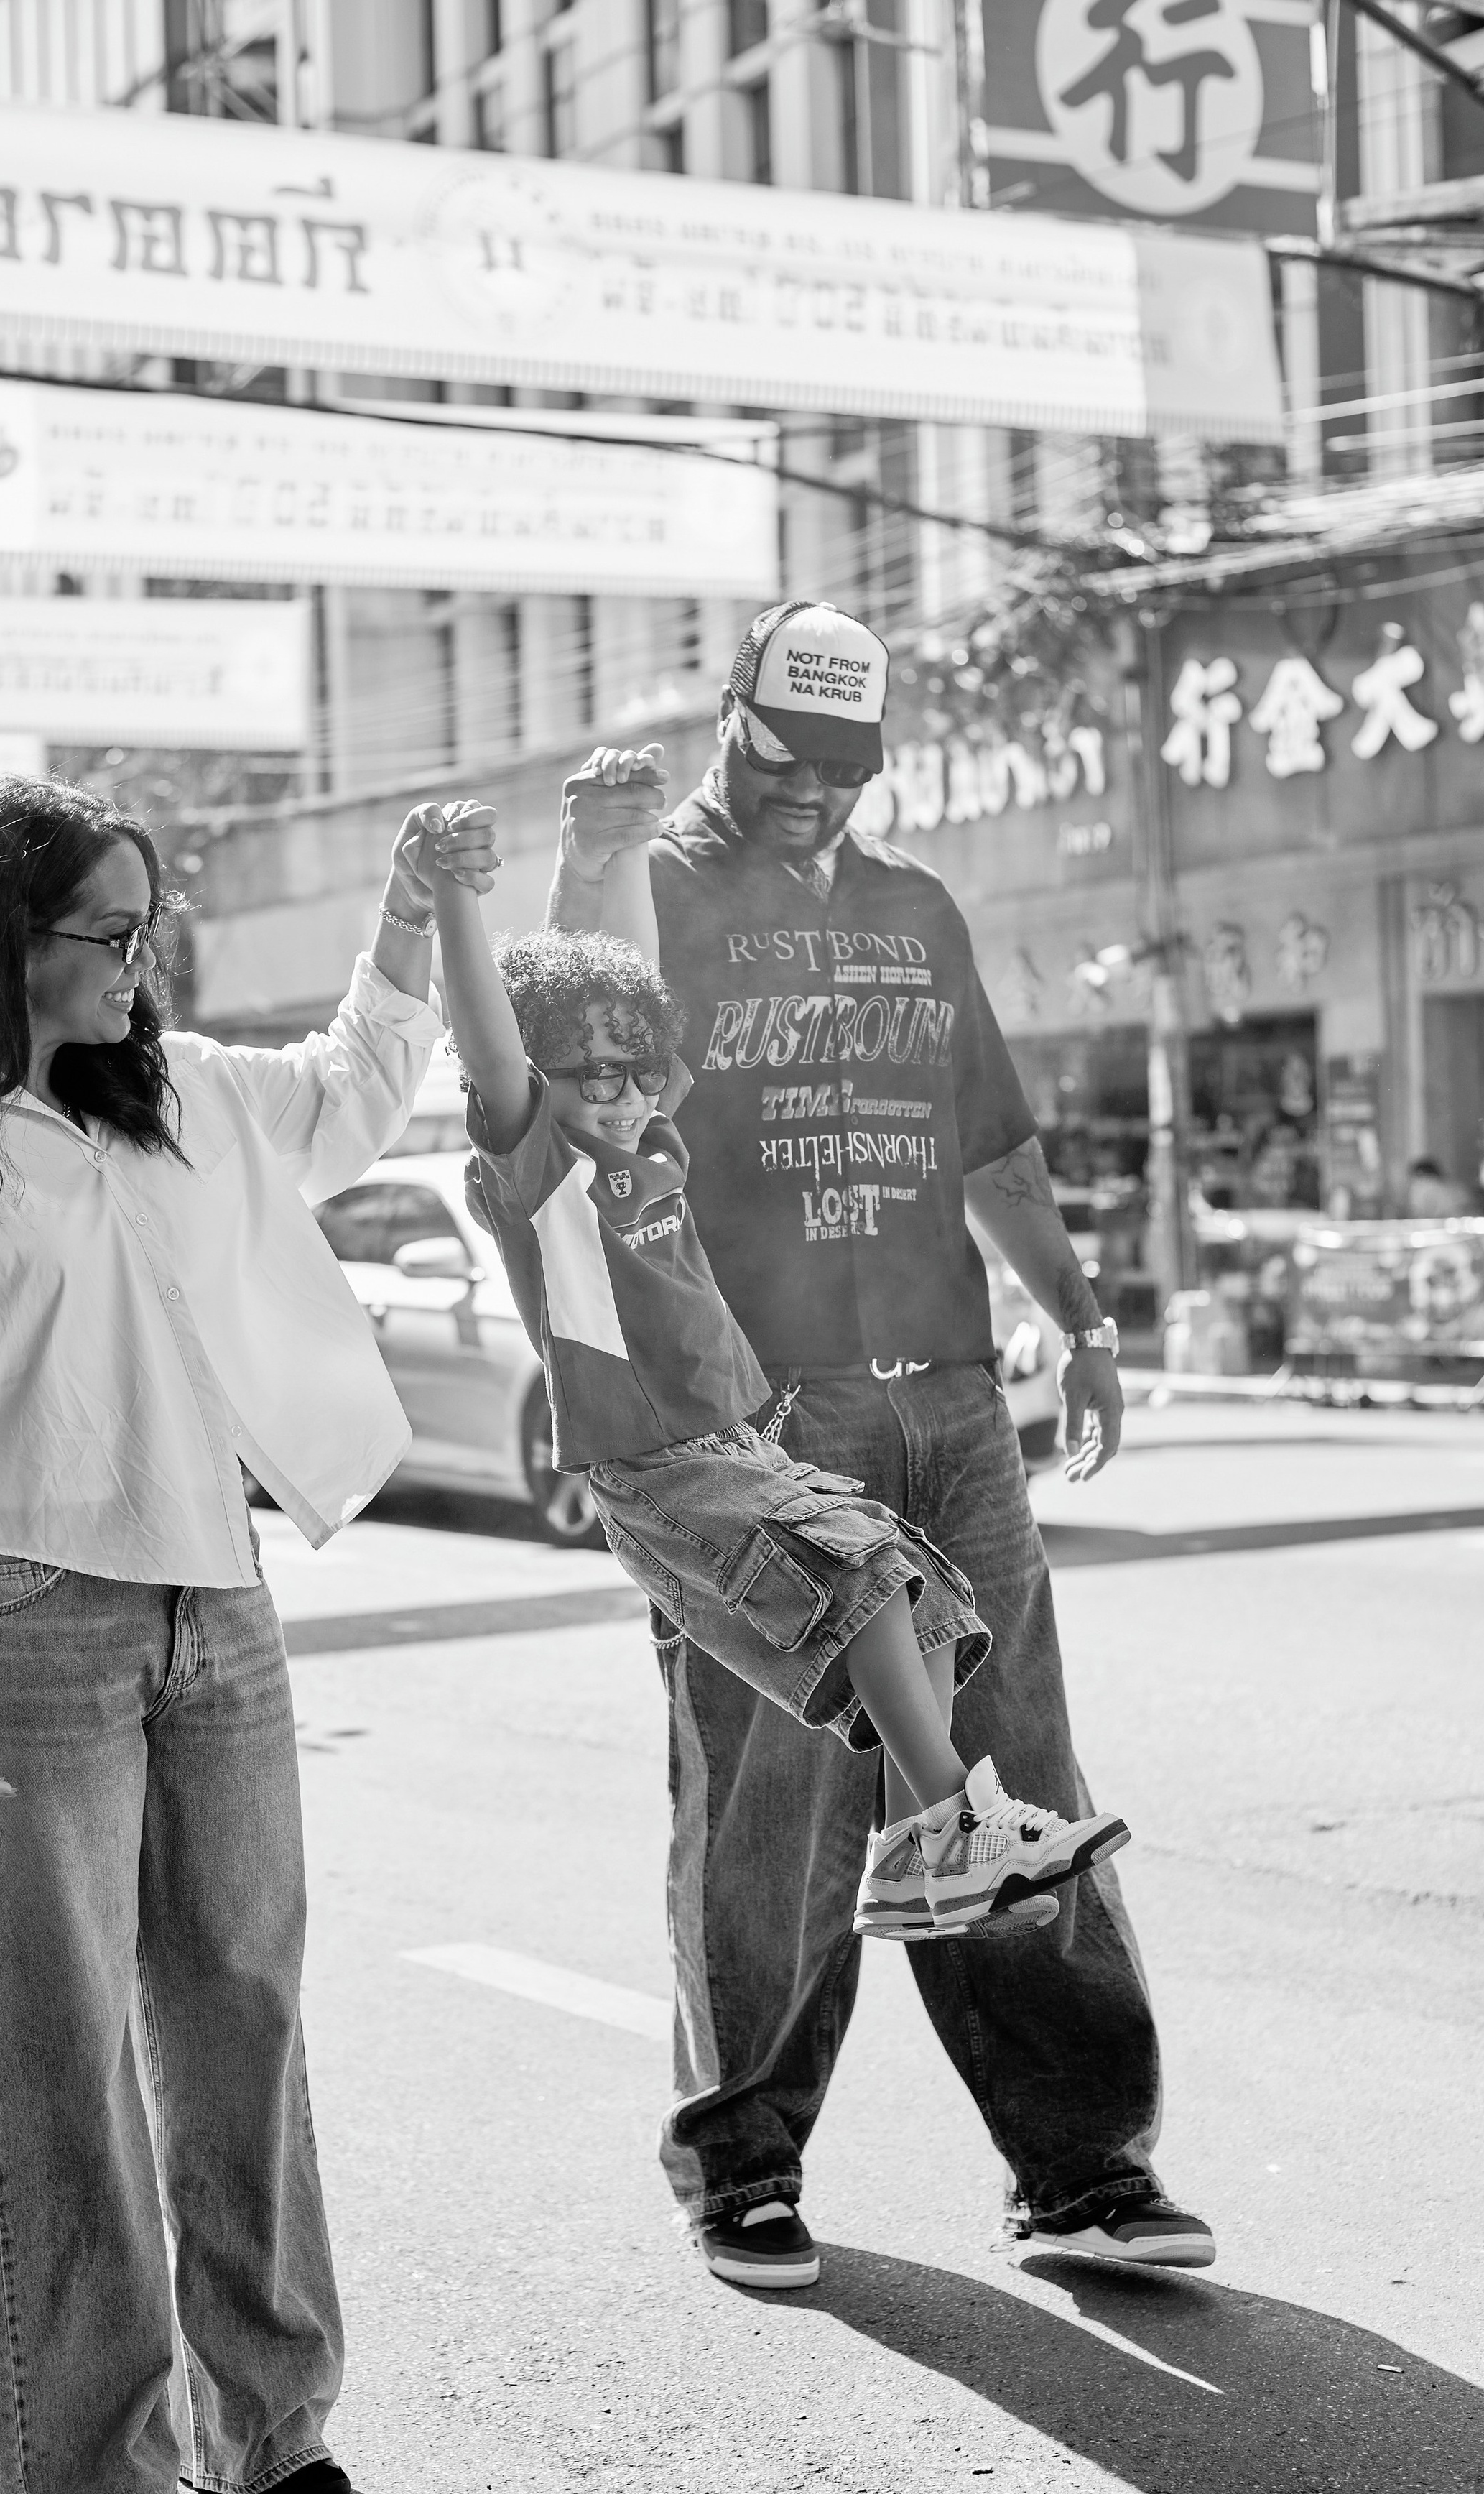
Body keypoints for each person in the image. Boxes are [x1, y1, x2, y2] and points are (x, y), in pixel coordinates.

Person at [0, 775, 486, 2494]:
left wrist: (409, 913)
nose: (135, 959)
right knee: (56, 2057)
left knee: (240, 2017)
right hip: (11, 1626)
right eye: (104, 929)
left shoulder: (179, 1104)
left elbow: (352, 1087)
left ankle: (263, 2424)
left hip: (216, 1608)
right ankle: (97, 2464)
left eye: (143, 925)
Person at [546, 603, 1215, 2291]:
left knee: (1016, 1773)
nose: (813, 797)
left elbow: (989, 1152)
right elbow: (569, 1063)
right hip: (763, 1408)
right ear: (728, 720)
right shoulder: (657, 893)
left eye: (847, 770)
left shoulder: (918, 910)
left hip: (950, 1396)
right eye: (783, 760)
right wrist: (584, 866)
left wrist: (1082, 1322)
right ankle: (742, 2165)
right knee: (771, 1797)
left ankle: (1080, 2170)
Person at [418, 798, 1132, 1944]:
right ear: (533, 1083)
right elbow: (502, 1031)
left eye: (635, 1067)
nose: (618, 1088)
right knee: (865, 1586)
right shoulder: (535, 1170)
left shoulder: (652, 1139)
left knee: (934, 1606)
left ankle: (922, 1866)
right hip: (656, 1459)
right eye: (588, 1073)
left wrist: (618, 860)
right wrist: (457, 889)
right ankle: (952, 1825)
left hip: (736, 1441)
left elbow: (626, 976)